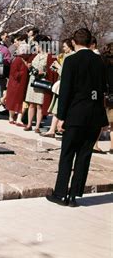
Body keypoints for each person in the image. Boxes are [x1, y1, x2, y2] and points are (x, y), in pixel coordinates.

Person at [46, 28, 109, 207]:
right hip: (94, 115)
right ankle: (74, 195)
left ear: (74, 42)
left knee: (67, 154)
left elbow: (65, 91)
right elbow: (103, 89)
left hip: (75, 114)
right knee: (84, 155)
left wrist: (61, 116)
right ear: (90, 43)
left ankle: (60, 193)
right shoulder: (100, 61)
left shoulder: (71, 60)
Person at [42, 38, 75, 138]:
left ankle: (57, 129)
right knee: (56, 108)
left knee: (59, 108)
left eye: (65, 46)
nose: (63, 48)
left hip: (64, 86)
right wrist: (56, 67)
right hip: (61, 85)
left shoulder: (71, 57)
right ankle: (53, 129)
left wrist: (58, 67)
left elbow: (67, 74)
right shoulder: (65, 55)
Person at [24, 36, 49, 133]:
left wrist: (43, 73)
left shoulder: (47, 56)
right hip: (32, 80)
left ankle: (38, 125)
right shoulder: (36, 55)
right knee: (31, 104)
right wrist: (29, 66)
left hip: (41, 82)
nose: (36, 46)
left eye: (37, 44)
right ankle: (29, 124)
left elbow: (49, 70)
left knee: (39, 105)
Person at [5, 36, 31, 125]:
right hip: (16, 84)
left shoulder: (24, 59)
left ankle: (18, 118)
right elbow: (14, 73)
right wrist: (25, 70)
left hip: (21, 84)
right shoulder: (18, 59)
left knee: (20, 102)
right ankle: (11, 117)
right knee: (13, 100)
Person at [101, 43, 113, 154]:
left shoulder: (102, 61)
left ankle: (95, 144)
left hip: (105, 94)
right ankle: (112, 146)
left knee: (101, 122)